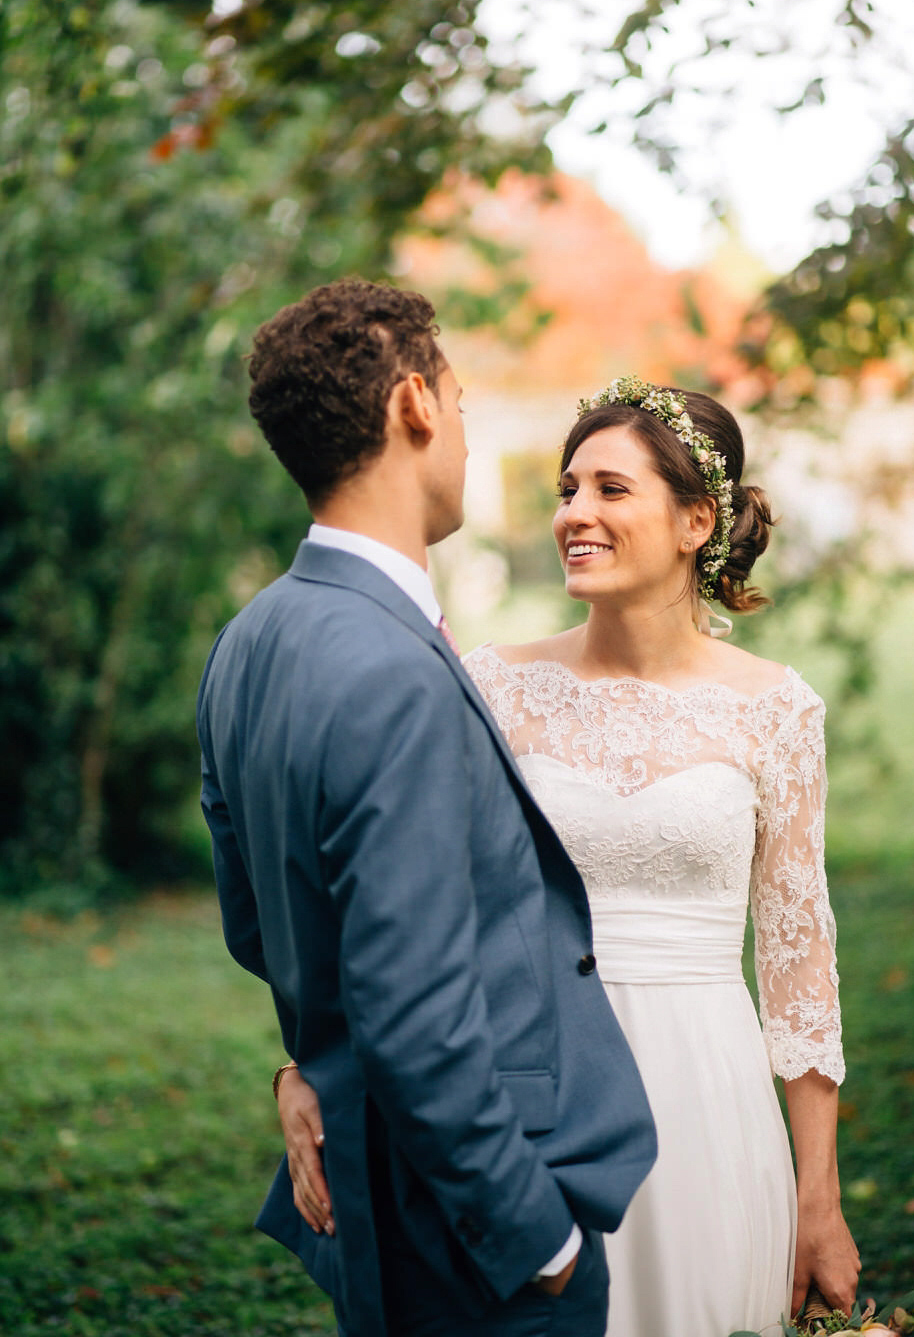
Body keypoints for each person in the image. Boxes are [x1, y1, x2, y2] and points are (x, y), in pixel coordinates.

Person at [278, 374, 861, 1337]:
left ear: (696, 521)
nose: (574, 514)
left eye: (611, 489)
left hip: (709, 1103)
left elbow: (800, 978)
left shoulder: (777, 710)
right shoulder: (491, 686)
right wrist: (298, 1065)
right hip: (535, 1102)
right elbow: (389, 902)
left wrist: (819, 1196)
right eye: (567, 489)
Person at [196, 282, 657, 1337]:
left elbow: (255, 922)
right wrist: (533, 1240)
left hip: (368, 1192)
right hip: (468, 1240)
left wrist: (310, 1064)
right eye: (457, 401)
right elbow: (414, 1004)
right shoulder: (392, 668)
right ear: (413, 406)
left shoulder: (247, 645)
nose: (458, 427)